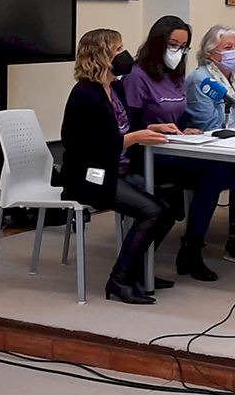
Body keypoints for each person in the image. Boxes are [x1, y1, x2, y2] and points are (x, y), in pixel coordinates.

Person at [123, 15, 235, 282]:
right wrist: (155, 129)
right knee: (215, 173)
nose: (178, 52)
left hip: (175, 146)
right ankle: (192, 249)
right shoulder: (137, 76)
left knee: (213, 176)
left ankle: (192, 247)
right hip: (145, 153)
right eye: (173, 45)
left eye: (183, 47)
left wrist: (183, 129)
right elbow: (129, 124)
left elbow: (178, 114)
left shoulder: (175, 75)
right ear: (158, 43)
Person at [60, 29, 176, 304]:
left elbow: (126, 126)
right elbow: (85, 146)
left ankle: (138, 268)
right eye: (118, 49)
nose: (125, 55)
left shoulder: (116, 88)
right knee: (152, 210)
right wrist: (134, 138)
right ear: (102, 56)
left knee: (168, 207)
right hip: (89, 176)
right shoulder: (84, 95)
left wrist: (151, 128)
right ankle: (120, 279)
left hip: (117, 169)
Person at [185, 24, 235, 266]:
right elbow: (209, 124)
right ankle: (228, 240)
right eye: (227, 47)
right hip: (211, 150)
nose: (234, 52)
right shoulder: (200, 80)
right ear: (210, 52)